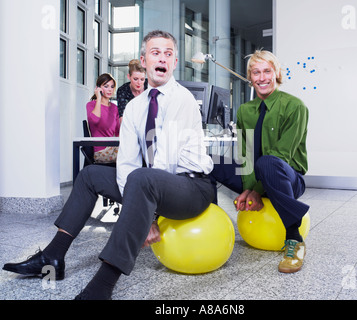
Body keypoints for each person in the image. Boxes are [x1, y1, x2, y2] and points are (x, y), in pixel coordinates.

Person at [2, 30, 214, 300]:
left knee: (142, 178)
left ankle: (101, 289)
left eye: (169, 54)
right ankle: (53, 256)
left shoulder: (182, 100)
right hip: (151, 185)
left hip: (190, 187)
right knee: (91, 175)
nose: (162, 58)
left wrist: (148, 215)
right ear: (144, 60)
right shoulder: (136, 107)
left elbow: (165, 164)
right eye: (155, 52)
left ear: (173, 63)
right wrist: (143, 206)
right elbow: (127, 163)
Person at [209, 50, 310, 273]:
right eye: (256, 72)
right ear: (250, 77)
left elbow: (282, 155)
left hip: (288, 179)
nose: (262, 77)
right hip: (254, 175)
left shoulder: (295, 107)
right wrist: (247, 188)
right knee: (207, 161)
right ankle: (209, 225)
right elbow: (245, 155)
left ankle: (294, 238)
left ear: (276, 74)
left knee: (268, 163)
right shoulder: (245, 111)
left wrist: (253, 192)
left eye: (267, 71)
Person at [87, 73, 120, 163]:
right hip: (101, 152)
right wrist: (98, 98)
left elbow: (118, 132)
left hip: (113, 148)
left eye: (112, 87)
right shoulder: (91, 105)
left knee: (136, 151)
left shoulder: (114, 108)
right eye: (106, 86)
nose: (110, 90)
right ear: (99, 88)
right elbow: (95, 120)